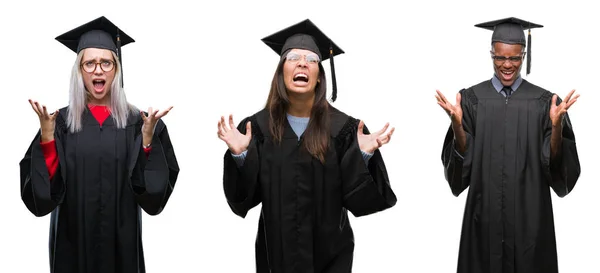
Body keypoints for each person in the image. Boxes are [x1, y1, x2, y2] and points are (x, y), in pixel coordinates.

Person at [218, 19, 397, 272]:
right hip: (276, 258)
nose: (302, 63)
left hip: (331, 259)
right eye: (293, 57)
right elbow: (243, 201)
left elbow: (359, 201)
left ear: (319, 76)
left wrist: (362, 156)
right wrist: (241, 156)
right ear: (281, 71)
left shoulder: (346, 130)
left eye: (312, 59)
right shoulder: (257, 128)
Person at [20, 16, 179, 273]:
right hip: (72, 246)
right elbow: (42, 198)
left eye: (106, 62)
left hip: (122, 247)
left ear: (116, 69)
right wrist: (47, 141)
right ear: (79, 70)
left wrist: (147, 142)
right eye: (89, 63)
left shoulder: (139, 124)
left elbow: (153, 197)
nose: (98, 70)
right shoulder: (59, 124)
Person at [435, 17, 581, 273]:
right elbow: (460, 172)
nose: (507, 65)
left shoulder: (544, 102)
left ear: (524, 54)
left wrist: (557, 127)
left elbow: (558, 167)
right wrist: (457, 125)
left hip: (530, 221)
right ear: (491, 53)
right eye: (500, 57)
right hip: (484, 218)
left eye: (515, 58)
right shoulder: (471, 100)